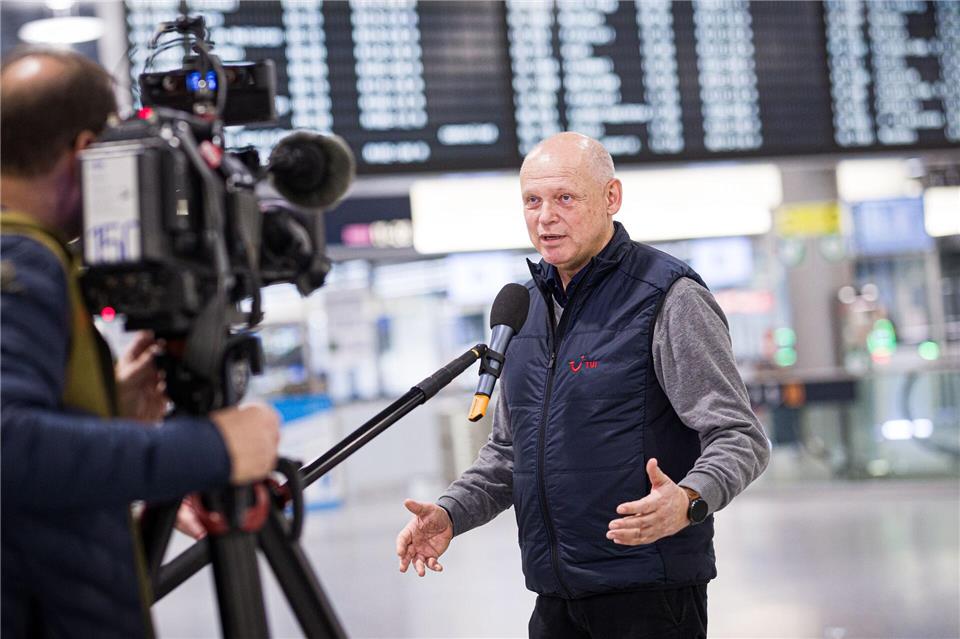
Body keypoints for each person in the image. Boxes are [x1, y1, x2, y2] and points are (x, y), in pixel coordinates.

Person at [396, 132, 770, 638]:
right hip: (555, 597)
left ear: (611, 198)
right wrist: (450, 512)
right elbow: (509, 452)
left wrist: (688, 499)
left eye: (564, 198)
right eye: (532, 200)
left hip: (649, 595)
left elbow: (739, 436)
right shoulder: (523, 311)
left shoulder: (668, 297)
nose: (545, 217)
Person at [0, 48, 281, 637]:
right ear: (84, 152)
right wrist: (212, 447)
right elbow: (9, 446)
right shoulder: (19, 258)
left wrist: (107, 410)